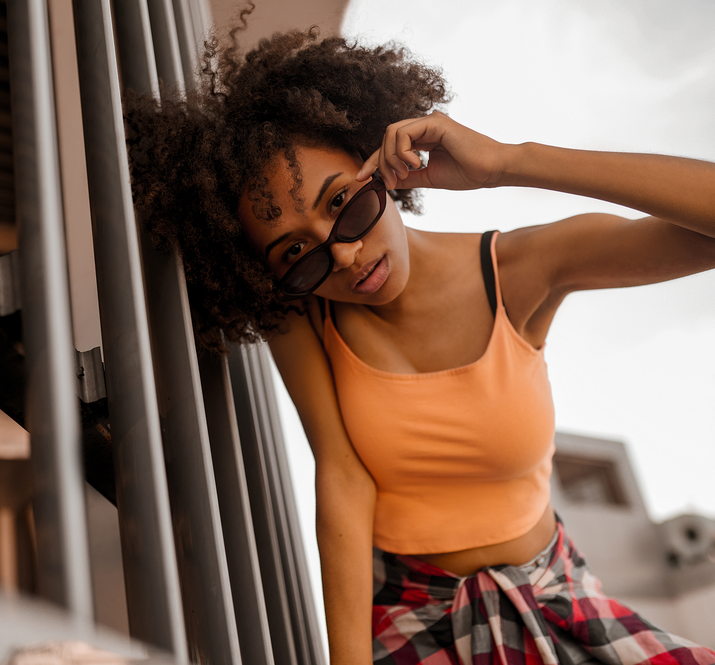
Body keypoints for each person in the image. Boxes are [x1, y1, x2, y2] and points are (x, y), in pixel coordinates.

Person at [123, 10, 715, 665]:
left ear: (375, 158)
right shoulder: (304, 311)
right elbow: (342, 477)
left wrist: (508, 162)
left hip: (558, 594)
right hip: (413, 613)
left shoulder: (520, 270)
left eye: (342, 202)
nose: (342, 257)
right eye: (298, 251)